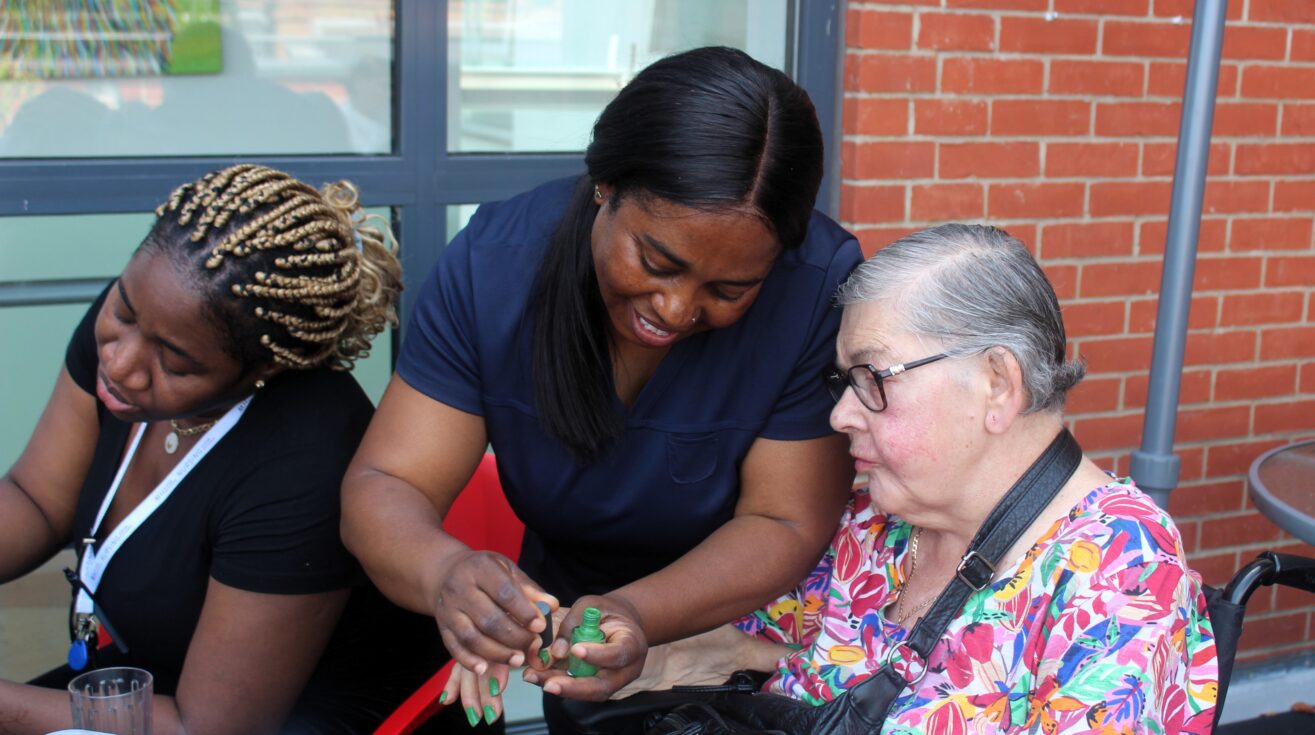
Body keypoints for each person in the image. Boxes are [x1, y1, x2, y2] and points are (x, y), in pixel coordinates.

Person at [340, 46, 862, 729]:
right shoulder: (493, 268)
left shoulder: (815, 287)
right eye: (656, 262)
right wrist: (445, 573)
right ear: (604, 187)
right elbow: (388, 479)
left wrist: (637, 613)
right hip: (579, 645)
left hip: (753, 648)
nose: (675, 309)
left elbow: (784, 519)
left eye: (730, 289)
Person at [635, 223, 1221, 734]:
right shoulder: (875, 522)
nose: (840, 415)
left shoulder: (1121, 571)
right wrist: (654, 654)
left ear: (997, 384)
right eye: (844, 382)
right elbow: (772, 649)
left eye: (871, 377)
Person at [0, 164, 464, 735]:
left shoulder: (303, 459)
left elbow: (208, 726)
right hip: (160, 679)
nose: (119, 362)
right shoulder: (144, 321)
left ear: (264, 368)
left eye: (174, 362)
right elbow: (36, 498)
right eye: (122, 311)